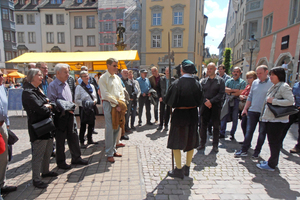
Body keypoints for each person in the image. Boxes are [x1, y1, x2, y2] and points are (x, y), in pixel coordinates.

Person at [165, 59, 203, 179]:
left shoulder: (177, 83)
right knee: (190, 141)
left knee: (176, 142)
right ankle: (187, 167)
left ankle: (179, 170)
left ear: (181, 70)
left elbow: (168, 100)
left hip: (180, 115)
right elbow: (201, 100)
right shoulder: (197, 83)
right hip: (192, 114)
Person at [22, 68, 58, 189]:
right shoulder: (28, 92)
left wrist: (47, 104)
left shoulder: (38, 89)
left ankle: (45, 171)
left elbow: (47, 102)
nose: (41, 77)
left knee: (48, 150)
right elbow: (40, 108)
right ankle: (36, 179)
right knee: (38, 154)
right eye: (39, 75)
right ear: (32, 76)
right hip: (38, 126)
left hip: (46, 125)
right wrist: (48, 105)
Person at [48, 63, 88, 169]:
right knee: (60, 140)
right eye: (65, 72)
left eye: (68, 71)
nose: (68, 74)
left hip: (70, 115)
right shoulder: (53, 85)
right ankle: (61, 162)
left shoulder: (67, 83)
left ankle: (76, 158)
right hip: (60, 116)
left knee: (73, 136)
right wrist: (65, 108)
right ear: (58, 73)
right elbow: (52, 102)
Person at [256, 67, 294, 171]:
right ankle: (272, 161)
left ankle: (272, 164)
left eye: (273, 75)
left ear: (279, 76)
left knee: (274, 143)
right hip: (271, 119)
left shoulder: (284, 86)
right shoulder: (275, 86)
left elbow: (290, 101)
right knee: (272, 142)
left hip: (277, 120)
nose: (271, 77)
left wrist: (274, 101)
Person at [234, 66, 273, 157]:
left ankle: (257, 151)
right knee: (249, 131)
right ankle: (244, 150)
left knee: (262, 132)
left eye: (260, 73)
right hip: (252, 110)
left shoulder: (271, 83)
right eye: (257, 73)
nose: (258, 75)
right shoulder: (255, 83)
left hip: (264, 111)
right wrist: (245, 109)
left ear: (266, 72)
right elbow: (250, 97)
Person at [99, 58, 125, 163]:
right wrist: (116, 104)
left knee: (117, 127)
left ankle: (113, 149)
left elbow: (122, 91)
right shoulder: (103, 78)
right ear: (108, 66)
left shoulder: (117, 78)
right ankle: (109, 153)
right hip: (109, 104)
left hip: (117, 105)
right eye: (114, 65)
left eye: (117, 65)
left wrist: (121, 103)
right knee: (110, 128)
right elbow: (105, 94)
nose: (116, 67)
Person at [198, 62, 225, 152]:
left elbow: (221, 94)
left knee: (216, 126)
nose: (209, 70)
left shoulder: (220, 81)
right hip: (205, 106)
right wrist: (205, 101)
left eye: (211, 69)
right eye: (208, 69)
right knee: (203, 125)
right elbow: (200, 93)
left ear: (215, 69)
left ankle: (215, 145)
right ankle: (202, 143)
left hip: (216, 106)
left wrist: (211, 101)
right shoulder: (203, 81)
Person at [0, 70, 17, 195]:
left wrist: (7, 122)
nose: (2, 77)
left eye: (2, 75)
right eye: (0, 75)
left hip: (2, 125)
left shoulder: (2, 87)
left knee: (4, 156)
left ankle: (2, 183)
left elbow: (4, 107)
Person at [220, 67, 246, 140]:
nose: (235, 73)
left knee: (235, 118)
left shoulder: (242, 82)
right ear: (232, 73)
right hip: (228, 100)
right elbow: (224, 89)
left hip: (236, 101)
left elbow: (240, 92)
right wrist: (234, 90)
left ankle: (232, 133)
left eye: (237, 71)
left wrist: (230, 92)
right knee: (224, 116)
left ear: (240, 73)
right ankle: (222, 133)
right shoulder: (228, 81)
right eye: (234, 71)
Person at [75, 71, 98, 148]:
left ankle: (90, 139)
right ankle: (81, 141)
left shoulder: (92, 86)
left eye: (87, 76)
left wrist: (94, 101)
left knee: (92, 124)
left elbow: (95, 97)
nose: (86, 77)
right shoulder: (79, 87)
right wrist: (85, 103)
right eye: (84, 76)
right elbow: (76, 100)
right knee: (83, 125)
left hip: (91, 107)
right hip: (84, 108)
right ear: (81, 78)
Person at [280, 74, 300, 153]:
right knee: (285, 125)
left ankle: (298, 147)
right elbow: (292, 96)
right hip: (294, 108)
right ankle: (279, 142)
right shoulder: (296, 85)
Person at [239, 71, 257, 137]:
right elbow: (242, 93)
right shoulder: (247, 86)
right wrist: (241, 96)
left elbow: (254, 97)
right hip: (244, 107)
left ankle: (247, 140)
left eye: (250, 78)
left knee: (247, 125)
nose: (248, 79)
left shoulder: (255, 87)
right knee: (243, 124)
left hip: (251, 108)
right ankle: (246, 139)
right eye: (247, 78)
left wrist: (245, 97)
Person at [157, 67, 174, 131]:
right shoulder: (161, 79)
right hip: (162, 97)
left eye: (169, 71)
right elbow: (158, 88)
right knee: (161, 111)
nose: (168, 72)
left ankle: (166, 125)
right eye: (167, 71)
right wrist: (159, 96)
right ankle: (160, 124)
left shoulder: (173, 80)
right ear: (165, 72)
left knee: (168, 112)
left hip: (169, 98)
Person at [121, 69, 134, 134]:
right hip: (122, 101)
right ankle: (122, 127)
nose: (126, 74)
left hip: (129, 101)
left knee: (128, 114)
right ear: (122, 73)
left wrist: (132, 97)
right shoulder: (119, 81)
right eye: (125, 73)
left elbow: (133, 90)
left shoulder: (130, 81)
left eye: (127, 73)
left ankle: (126, 126)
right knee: (122, 114)